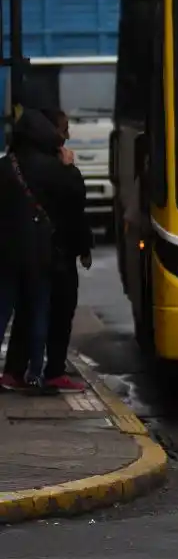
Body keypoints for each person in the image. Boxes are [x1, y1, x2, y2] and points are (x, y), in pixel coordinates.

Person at [0, 105, 67, 393]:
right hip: (40, 252)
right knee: (39, 312)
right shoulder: (52, 168)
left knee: (2, 312)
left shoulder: (4, 167)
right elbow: (69, 204)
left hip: (6, 252)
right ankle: (34, 372)